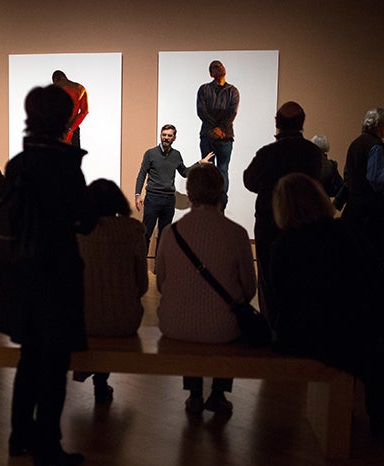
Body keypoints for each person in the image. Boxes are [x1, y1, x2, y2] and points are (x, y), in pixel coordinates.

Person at [0, 85, 97, 466]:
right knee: (54, 365)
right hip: (56, 275)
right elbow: (84, 221)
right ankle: (48, 447)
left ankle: (19, 437)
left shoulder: (19, 164)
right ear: (64, 120)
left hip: (22, 276)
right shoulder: (65, 165)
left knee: (30, 358)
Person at [270, 173, 384, 438]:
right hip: (347, 332)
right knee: (380, 347)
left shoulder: (283, 246)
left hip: (302, 335)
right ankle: (378, 418)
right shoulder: (344, 234)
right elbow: (371, 280)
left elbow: (281, 298)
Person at [156, 164, 256, 414]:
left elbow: (160, 283)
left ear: (189, 192)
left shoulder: (170, 233)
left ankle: (195, 394)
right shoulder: (237, 233)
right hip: (223, 328)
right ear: (220, 191)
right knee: (232, 319)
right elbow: (249, 289)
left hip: (174, 324)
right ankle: (218, 394)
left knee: (191, 316)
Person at [243, 101, 322, 324]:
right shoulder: (313, 153)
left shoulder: (268, 153)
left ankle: (272, 325)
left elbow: (249, 180)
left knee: (269, 278)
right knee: (300, 276)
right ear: (302, 123)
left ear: (278, 122)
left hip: (269, 223)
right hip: (304, 224)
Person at [75, 178, 148, 403]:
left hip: (82, 321)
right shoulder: (133, 230)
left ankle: (96, 379)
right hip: (125, 320)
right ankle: (101, 382)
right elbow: (142, 285)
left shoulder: (76, 232)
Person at [135, 124, 212, 256]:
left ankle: (159, 267)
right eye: (164, 135)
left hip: (169, 200)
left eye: (169, 135)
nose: (166, 138)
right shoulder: (150, 153)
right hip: (153, 198)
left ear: (174, 138)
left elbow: (185, 172)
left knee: (164, 236)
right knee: (146, 233)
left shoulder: (176, 155)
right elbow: (142, 174)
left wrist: (200, 163)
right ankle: (140, 265)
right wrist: (137, 194)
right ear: (160, 135)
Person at [340, 108, 384, 265]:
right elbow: (376, 179)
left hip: (353, 210)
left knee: (353, 259)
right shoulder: (376, 146)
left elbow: (347, 176)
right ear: (379, 125)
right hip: (374, 213)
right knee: (374, 259)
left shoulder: (354, 144)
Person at [196, 60, 239, 209]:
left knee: (222, 170)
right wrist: (215, 128)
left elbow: (232, 113)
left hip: (225, 137)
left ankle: (221, 205)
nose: (218, 68)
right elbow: (201, 111)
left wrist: (220, 128)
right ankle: (207, 204)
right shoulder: (204, 89)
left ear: (224, 69)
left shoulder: (232, 91)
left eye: (220, 66)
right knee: (207, 170)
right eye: (214, 67)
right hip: (208, 135)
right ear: (211, 73)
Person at [52, 70, 89, 148]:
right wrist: (71, 129)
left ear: (55, 79)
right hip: (73, 128)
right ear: (65, 77)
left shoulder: (53, 90)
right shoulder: (80, 88)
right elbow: (84, 111)